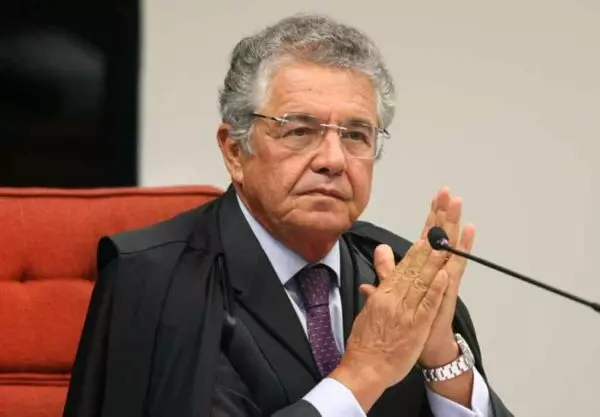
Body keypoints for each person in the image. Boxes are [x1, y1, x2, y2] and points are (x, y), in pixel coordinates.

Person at [63, 13, 513, 417]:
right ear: (235, 151)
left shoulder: (398, 273)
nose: (333, 160)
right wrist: (364, 373)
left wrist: (441, 360)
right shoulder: (153, 281)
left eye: (356, 135)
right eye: (300, 130)